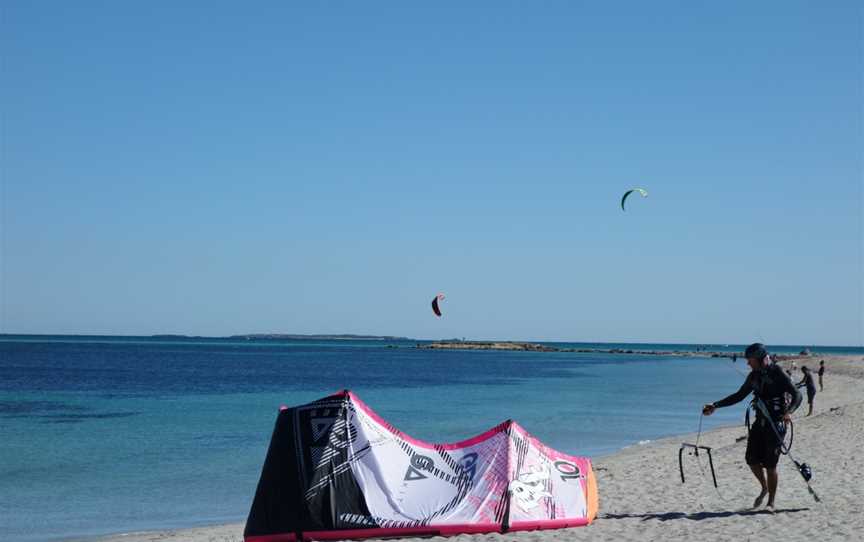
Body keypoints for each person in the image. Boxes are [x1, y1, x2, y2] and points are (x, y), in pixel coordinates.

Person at [702, 343, 802, 510]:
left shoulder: (778, 372)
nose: (748, 363)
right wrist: (715, 405)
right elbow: (739, 396)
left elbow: (797, 394)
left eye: (751, 360)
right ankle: (764, 487)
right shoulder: (753, 376)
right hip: (759, 423)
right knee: (751, 460)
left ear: (762, 359)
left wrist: (789, 412)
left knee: (771, 465)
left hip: (776, 424)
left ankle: (771, 502)